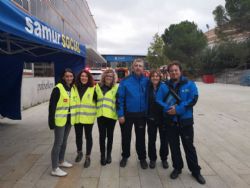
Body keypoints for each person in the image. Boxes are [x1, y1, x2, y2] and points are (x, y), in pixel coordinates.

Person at [156, 61, 206, 184]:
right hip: (170, 122)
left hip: (185, 122)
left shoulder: (190, 84)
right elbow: (158, 100)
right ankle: (177, 168)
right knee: (174, 147)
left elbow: (193, 99)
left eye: (176, 70)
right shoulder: (164, 86)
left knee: (189, 147)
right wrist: (168, 109)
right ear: (168, 73)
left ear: (180, 71)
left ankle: (195, 171)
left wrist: (178, 110)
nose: (173, 72)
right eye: (171, 71)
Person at [117, 58, 149, 169]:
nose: (138, 67)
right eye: (136, 65)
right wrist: (120, 114)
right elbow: (119, 99)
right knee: (126, 137)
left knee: (141, 138)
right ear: (132, 67)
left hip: (141, 115)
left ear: (143, 68)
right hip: (127, 115)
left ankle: (142, 158)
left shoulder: (147, 81)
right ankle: (125, 156)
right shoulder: (125, 81)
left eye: (140, 65)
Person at [48, 68, 77, 177]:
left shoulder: (72, 88)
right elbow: (52, 107)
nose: (69, 78)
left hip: (69, 120)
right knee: (58, 143)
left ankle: (61, 161)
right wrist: (51, 122)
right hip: (59, 121)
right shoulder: (58, 88)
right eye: (67, 76)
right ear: (63, 77)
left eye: (71, 76)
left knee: (64, 142)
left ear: (73, 77)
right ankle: (55, 168)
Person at [95, 69, 118, 165]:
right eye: (107, 76)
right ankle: (102, 155)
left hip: (111, 116)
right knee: (102, 136)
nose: (109, 77)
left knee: (110, 136)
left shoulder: (116, 88)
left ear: (113, 78)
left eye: (111, 76)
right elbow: (94, 100)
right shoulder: (98, 87)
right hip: (101, 115)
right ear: (104, 76)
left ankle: (108, 154)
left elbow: (119, 101)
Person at [74, 69, 96, 168]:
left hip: (88, 118)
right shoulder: (74, 88)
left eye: (86, 76)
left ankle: (88, 156)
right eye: (82, 76)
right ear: (79, 77)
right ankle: (79, 152)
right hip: (77, 117)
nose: (84, 78)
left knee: (88, 137)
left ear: (89, 78)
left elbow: (99, 101)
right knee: (78, 136)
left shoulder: (93, 88)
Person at [147, 70, 169, 169]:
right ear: (150, 78)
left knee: (164, 140)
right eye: (153, 76)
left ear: (160, 77)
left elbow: (169, 100)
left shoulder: (164, 87)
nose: (155, 78)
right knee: (151, 139)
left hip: (163, 118)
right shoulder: (148, 87)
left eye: (157, 76)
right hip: (151, 117)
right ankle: (152, 159)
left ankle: (164, 158)